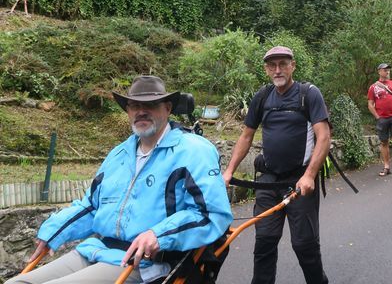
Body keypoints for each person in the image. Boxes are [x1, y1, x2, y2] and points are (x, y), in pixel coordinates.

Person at [7, 75, 233, 284]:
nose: (141, 111)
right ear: (127, 111)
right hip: (96, 249)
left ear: (167, 108)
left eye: (150, 105)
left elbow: (211, 214)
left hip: (145, 261)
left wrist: (158, 234)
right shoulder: (119, 154)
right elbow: (91, 206)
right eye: (134, 105)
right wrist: (53, 232)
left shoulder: (193, 150)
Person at [222, 46, 331, 284]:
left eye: (283, 64)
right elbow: (246, 136)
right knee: (264, 241)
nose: (278, 69)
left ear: (293, 65)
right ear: (266, 69)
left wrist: (310, 175)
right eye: (272, 65)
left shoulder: (308, 94)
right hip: (269, 180)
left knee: (304, 244)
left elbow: (323, 137)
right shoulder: (262, 97)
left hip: (299, 179)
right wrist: (228, 172)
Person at [367, 63, 392, 177]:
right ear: (379, 71)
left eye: (388, 70)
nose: (387, 72)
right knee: (384, 142)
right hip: (382, 118)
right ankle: (386, 167)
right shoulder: (373, 87)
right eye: (385, 70)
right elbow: (370, 104)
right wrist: (377, 117)